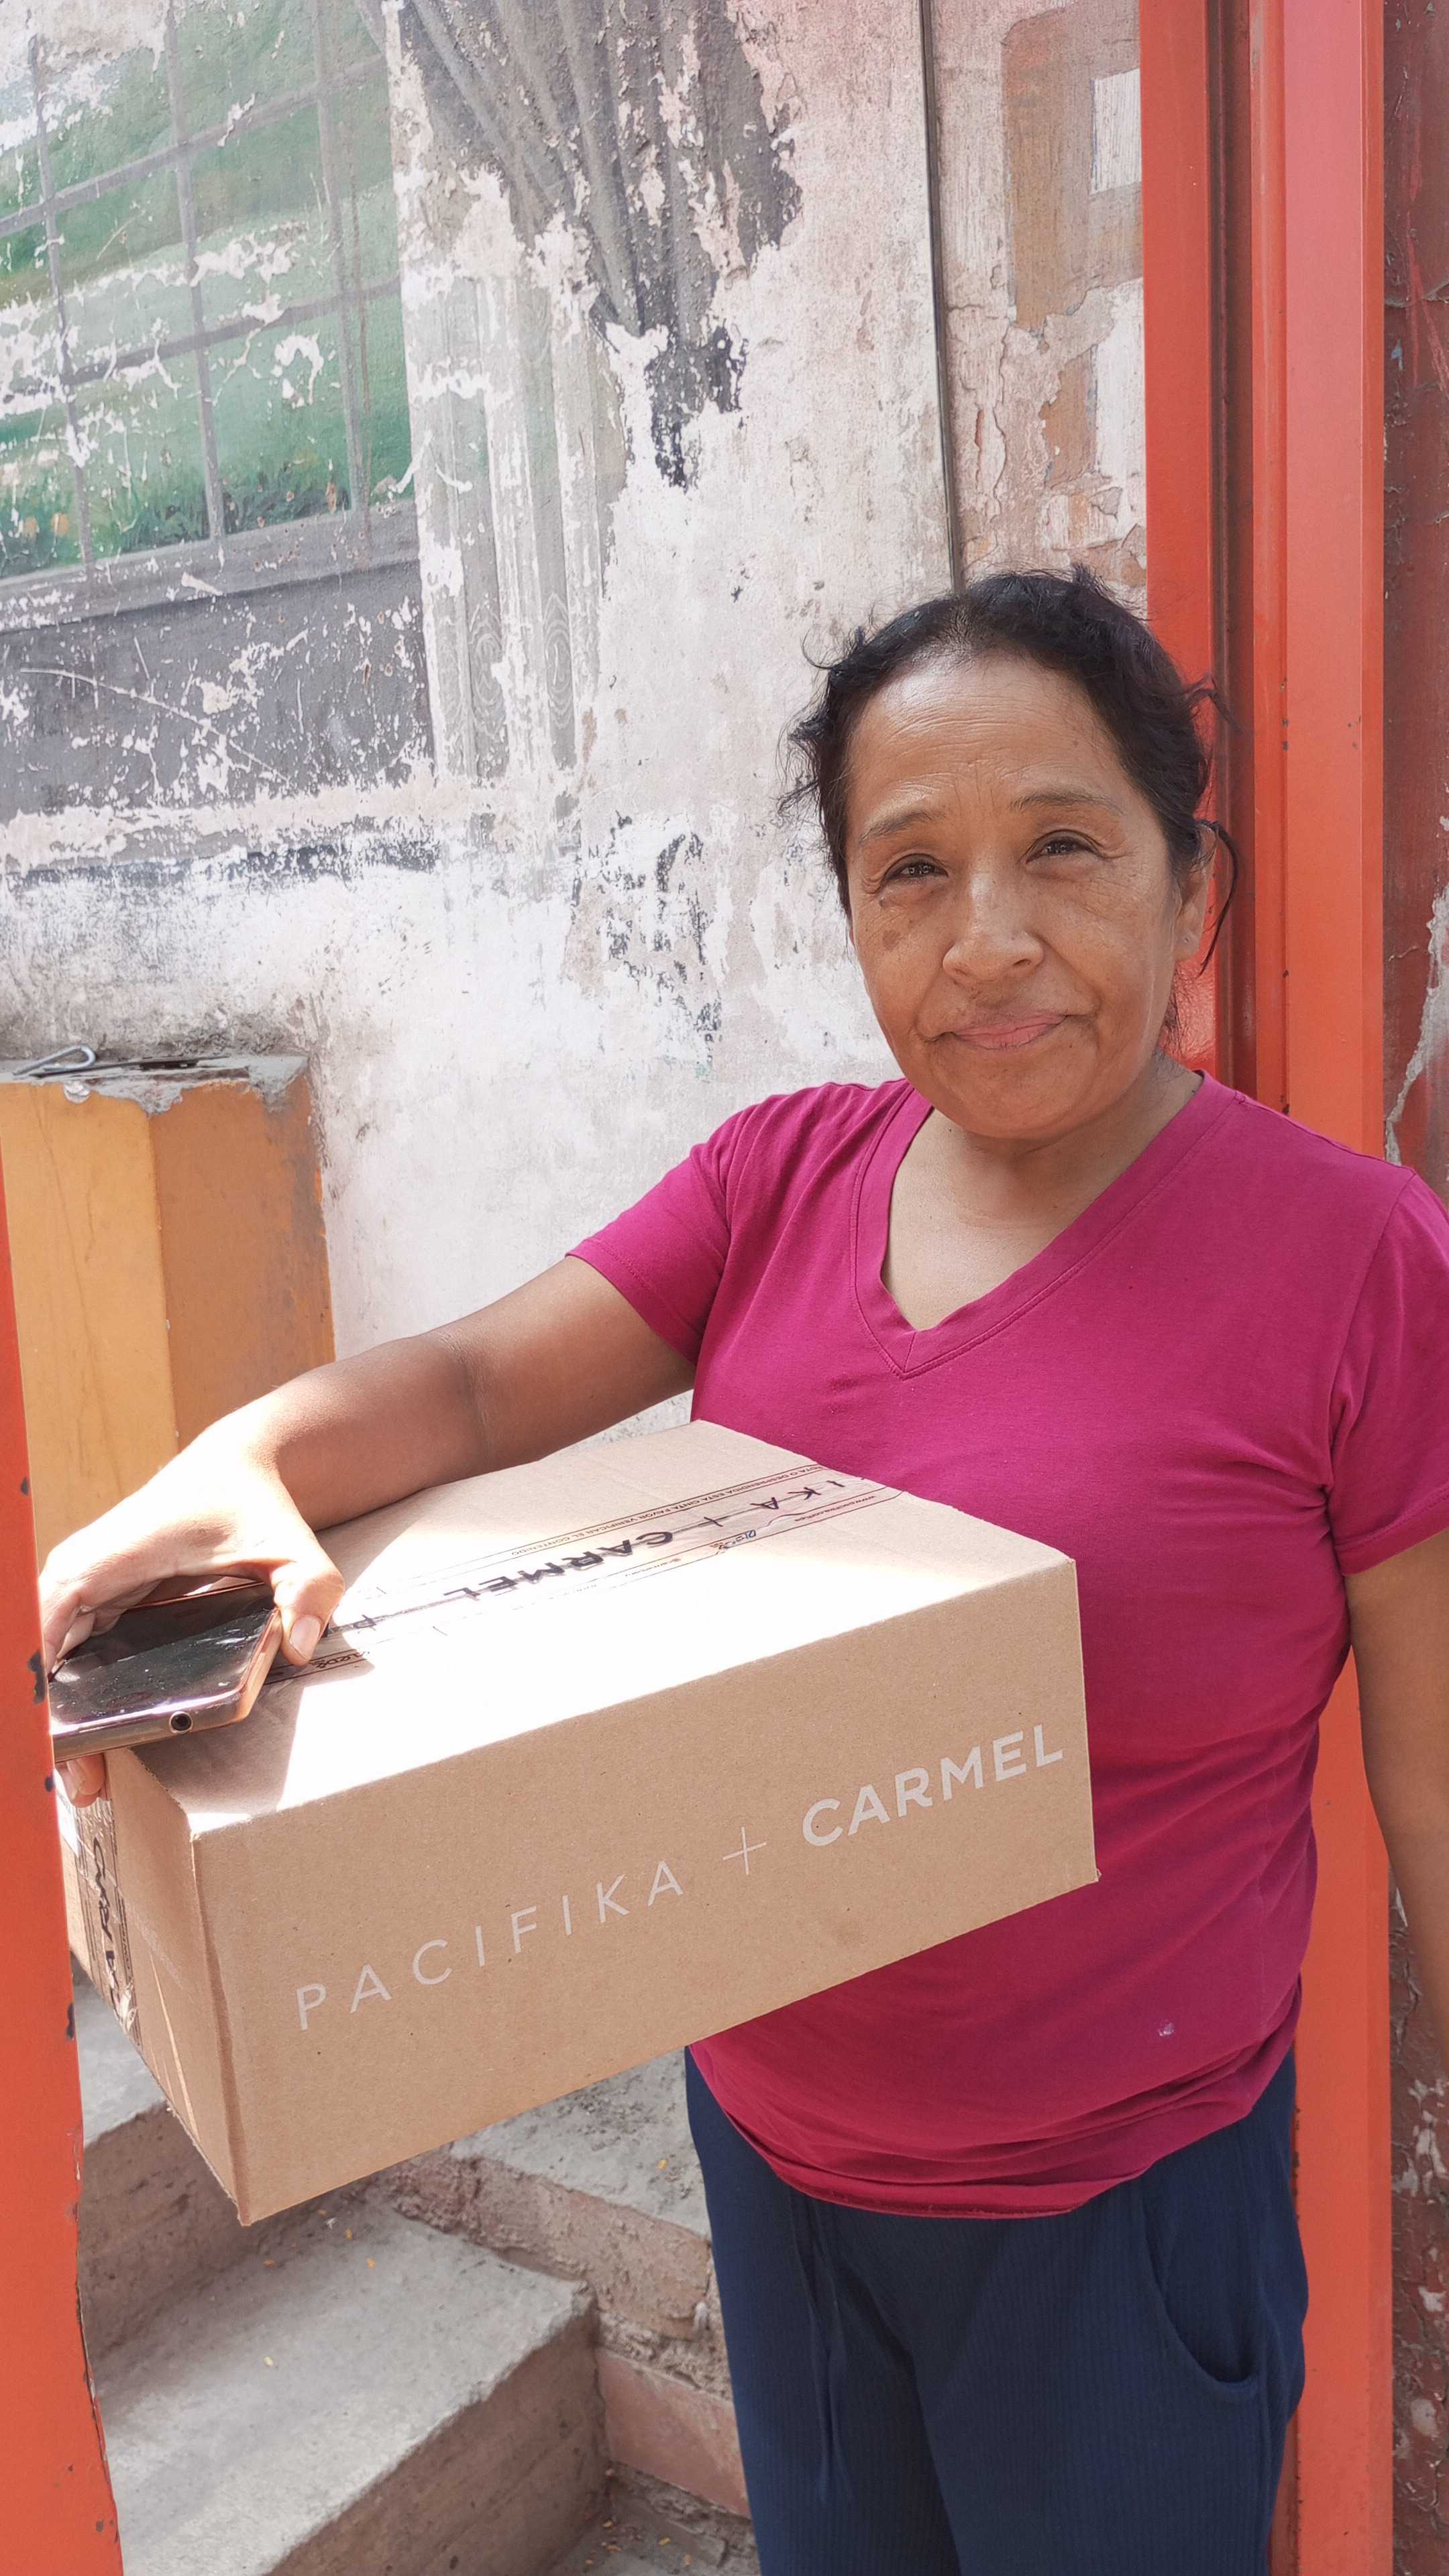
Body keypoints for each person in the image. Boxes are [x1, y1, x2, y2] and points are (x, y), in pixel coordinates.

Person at [42, 568, 1449, 2576]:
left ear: (1190, 887)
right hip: (779, 2170)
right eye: (911, 872)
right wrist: (240, 1471)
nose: (990, 939)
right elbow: (474, 1383)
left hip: (1122, 2221)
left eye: (1065, 847)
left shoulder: (1357, 1262)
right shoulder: (777, 1182)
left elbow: (1434, 1781)